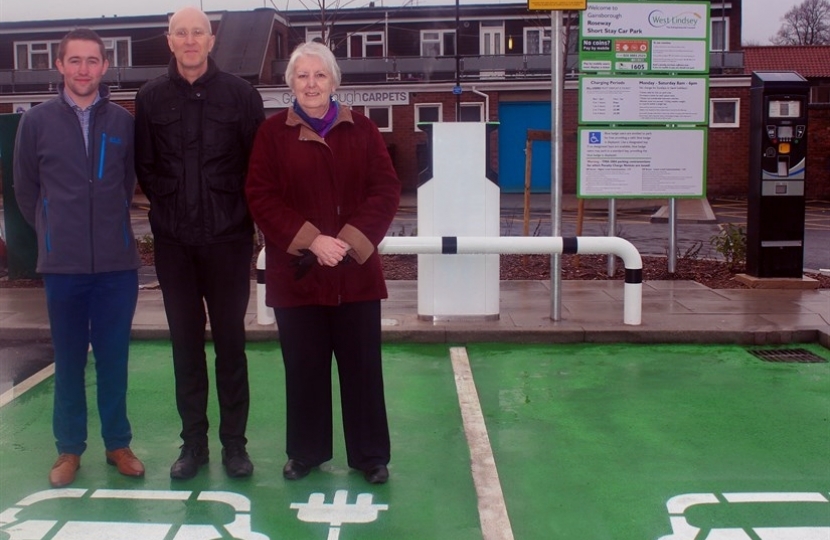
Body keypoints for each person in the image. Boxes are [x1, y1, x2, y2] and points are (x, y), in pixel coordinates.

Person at [245, 41, 401, 485]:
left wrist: (348, 242)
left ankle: (370, 455)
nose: (311, 84)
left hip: (355, 276)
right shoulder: (271, 134)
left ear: (334, 81)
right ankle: (305, 453)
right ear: (290, 83)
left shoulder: (364, 130)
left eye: (319, 75)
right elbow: (261, 196)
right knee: (305, 368)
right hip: (299, 276)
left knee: (363, 370)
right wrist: (313, 241)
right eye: (302, 75)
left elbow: (385, 191)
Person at [134, 6, 265, 479]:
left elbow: (258, 167)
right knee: (185, 348)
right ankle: (194, 446)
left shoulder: (242, 95)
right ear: (168, 40)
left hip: (228, 243)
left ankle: (235, 445)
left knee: (231, 346)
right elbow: (145, 166)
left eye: (199, 32)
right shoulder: (148, 98)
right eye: (181, 32)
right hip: (175, 246)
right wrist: (171, 208)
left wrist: (239, 217)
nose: (190, 40)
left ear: (211, 41)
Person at [13, 28, 144, 488]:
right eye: (75, 61)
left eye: (92, 61)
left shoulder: (123, 122)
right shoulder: (36, 122)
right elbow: (26, 188)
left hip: (116, 267)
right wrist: (53, 231)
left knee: (113, 358)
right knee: (68, 361)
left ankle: (118, 444)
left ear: (104, 67)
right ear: (60, 66)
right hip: (63, 268)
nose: (83, 69)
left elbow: (127, 184)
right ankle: (69, 449)